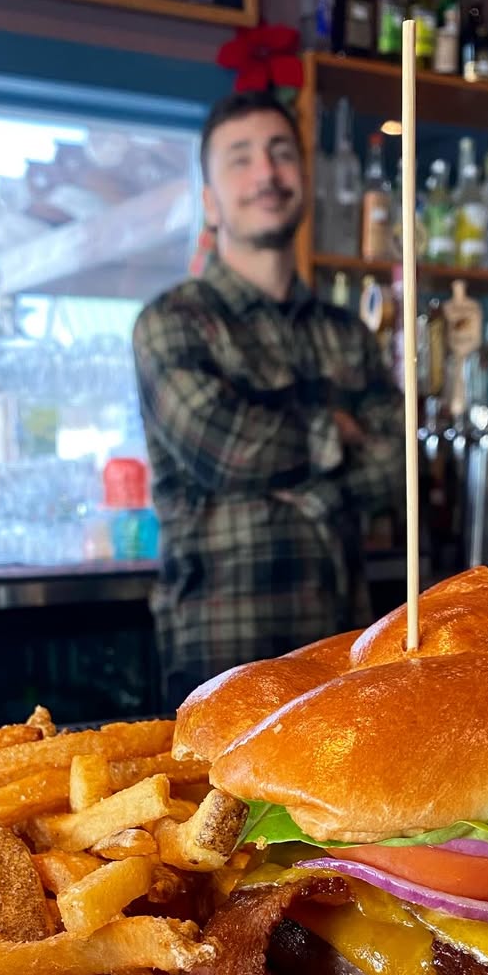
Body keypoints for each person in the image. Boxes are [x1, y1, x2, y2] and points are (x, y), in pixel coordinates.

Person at [133, 90, 406, 710]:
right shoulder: (172, 321)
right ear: (210, 201)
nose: (266, 172)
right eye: (241, 158)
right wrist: (337, 434)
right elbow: (226, 447)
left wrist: (294, 483)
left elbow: (397, 467)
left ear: (303, 180)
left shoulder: (346, 332)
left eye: (281, 153)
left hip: (344, 654)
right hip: (220, 656)